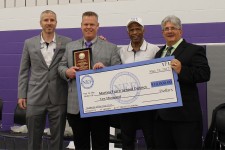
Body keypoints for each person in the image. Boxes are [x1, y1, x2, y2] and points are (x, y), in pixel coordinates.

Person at [58, 11, 121, 150]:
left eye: (92, 24)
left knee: (101, 144)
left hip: (100, 106)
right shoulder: (70, 47)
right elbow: (61, 66)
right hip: (76, 107)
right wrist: (67, 72)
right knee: (81, 145)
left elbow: (118, 70)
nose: (89, 27)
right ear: (81, 26)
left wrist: (105, 69)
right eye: (86, 24)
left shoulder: (110, 47)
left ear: (97, 26)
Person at [153, 15, 211, 149]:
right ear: (162, 33)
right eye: (166, 29)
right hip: (162, 118)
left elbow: (204, 74)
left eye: (173, 28)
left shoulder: (194, 50)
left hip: (185, 119)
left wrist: (182, 70)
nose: (169, 31)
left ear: (181, 31)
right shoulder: (159, 54)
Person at [17, 10, 72, 150]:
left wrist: (99, 41)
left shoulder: (67, 42)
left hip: (59, 96)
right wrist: (22, 94)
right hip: (35, 96)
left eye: (52, 20)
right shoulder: (29, 43)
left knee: (57, 138)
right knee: (34, 138)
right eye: (46, 20)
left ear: (56, 23)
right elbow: (23, 71)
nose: (49, 23)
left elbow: (79, 57)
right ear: (40, 23)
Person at [119, 17, 159, 150]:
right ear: (128, 32)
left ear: (143, 30)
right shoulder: (122, 51)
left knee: (151, 138)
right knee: (127, 139)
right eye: (131, 29)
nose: (135, 32)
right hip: (127, 104)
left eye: (137, 29)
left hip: (148, 104)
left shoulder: (154, 50)